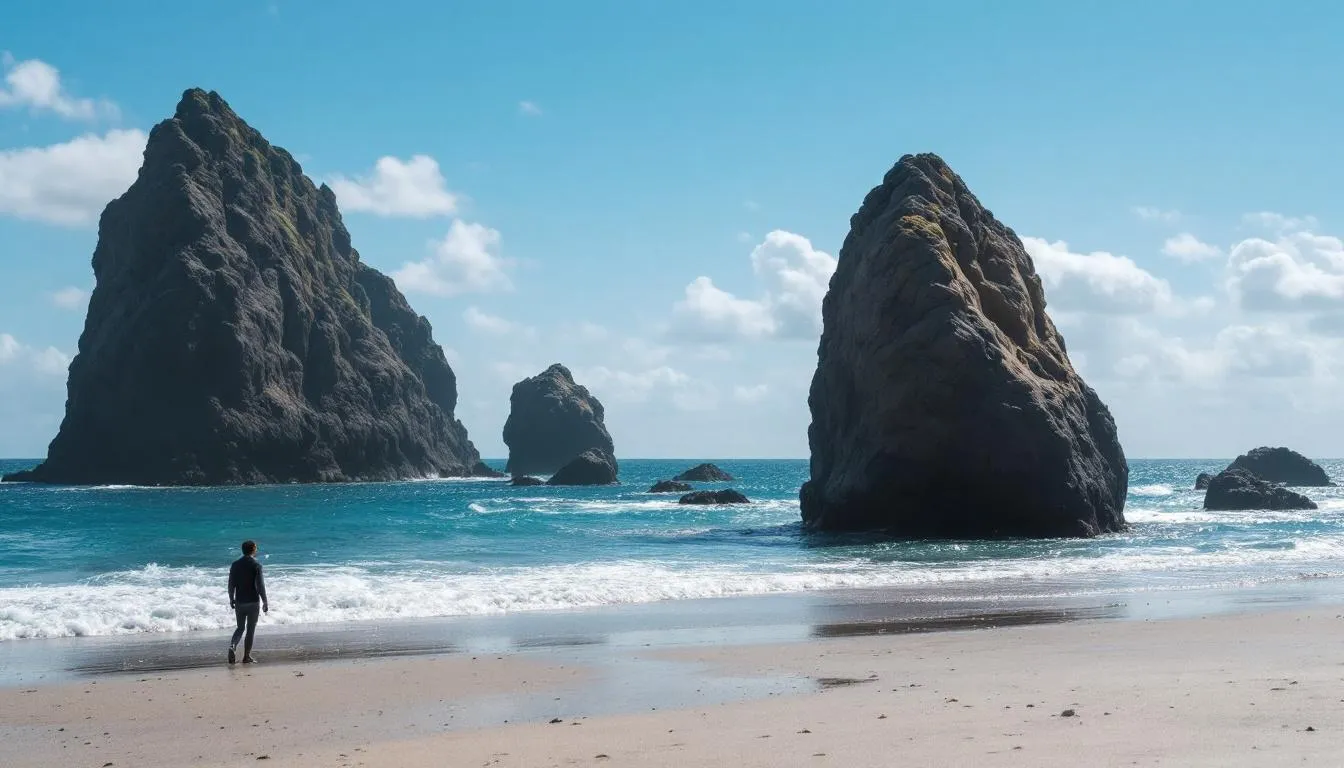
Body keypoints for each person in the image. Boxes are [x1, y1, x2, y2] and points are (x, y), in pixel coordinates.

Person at [227, 539, 268, 664]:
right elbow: (260, 585)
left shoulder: (235, 564)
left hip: (240, 601)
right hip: (253, 602)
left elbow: (231, 584)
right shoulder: (256, 565)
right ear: (253, 549)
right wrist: (265, 601)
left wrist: (231, 598)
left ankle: (233, 646)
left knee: (240, 628)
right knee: (250, 629)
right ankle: (246, 656)